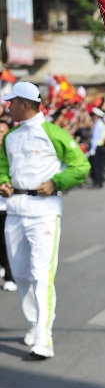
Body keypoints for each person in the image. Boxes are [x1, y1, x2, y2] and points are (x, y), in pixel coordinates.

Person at [0, 82, 91, 359]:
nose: (8, 106)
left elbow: (81, 166)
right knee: (22, 275)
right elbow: (2, 165)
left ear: (24, 104)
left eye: (11, 102)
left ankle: (44, 338)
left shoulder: (54, 134)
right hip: (15, 210)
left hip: (44, 212)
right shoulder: (10, 137)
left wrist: (56, 182)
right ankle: (34, 323)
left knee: (41, 275)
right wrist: (3, 181)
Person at [0, 117, 16, 291]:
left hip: (9, 206)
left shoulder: (14, 154)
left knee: (7, 243)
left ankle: (10, 276)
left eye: (2, 132)